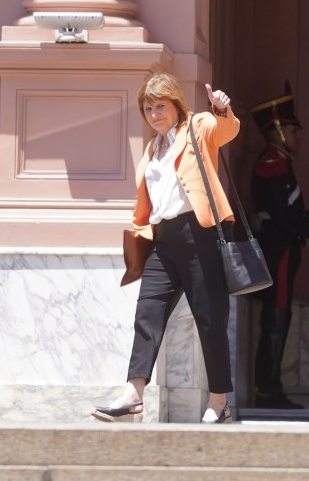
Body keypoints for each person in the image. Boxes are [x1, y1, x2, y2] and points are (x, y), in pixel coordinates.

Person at [92, 72, 240, 424]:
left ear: (176, 105)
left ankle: (219, 402)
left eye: (161, 106)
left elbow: (226, 131)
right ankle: (133, 396)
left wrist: (222, 109)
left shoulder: (198, 127)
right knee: (147, 313)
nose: (155, 113)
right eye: (148, 108)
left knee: (210, 321)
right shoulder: (152, 148)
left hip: (199, 235)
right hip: (163, 241)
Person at [249, 87, 309, 410]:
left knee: (281, 315)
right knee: (277, 318)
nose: (298, 137)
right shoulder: (272, 163)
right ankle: (268, 389)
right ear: (279, 131)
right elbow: (282, 213)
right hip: (277, 248)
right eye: (293, 130)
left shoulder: (281, 163)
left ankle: (271, 386)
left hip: (283, 246)